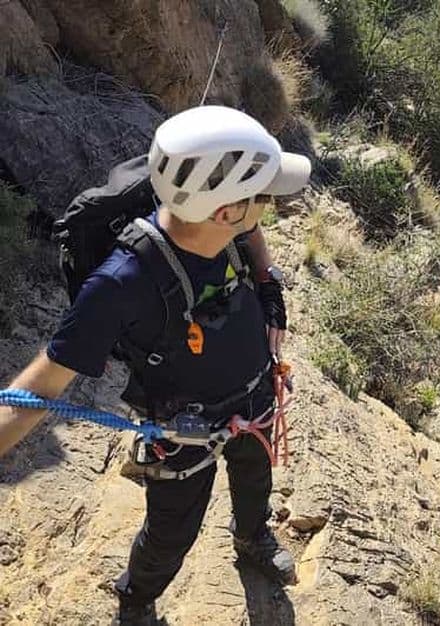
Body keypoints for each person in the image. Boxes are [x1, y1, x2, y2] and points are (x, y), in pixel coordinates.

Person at [0, 106, 312, 625]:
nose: (271, 205)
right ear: (225, 211)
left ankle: (251, 532)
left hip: (254, 395)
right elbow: (39, 389)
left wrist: (269, 284)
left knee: (255, 478)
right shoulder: (119, 284)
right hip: (184, 431)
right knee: (170, 534)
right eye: (263, 196)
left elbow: (249, 233)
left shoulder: (213, 214)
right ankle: (137, 600)